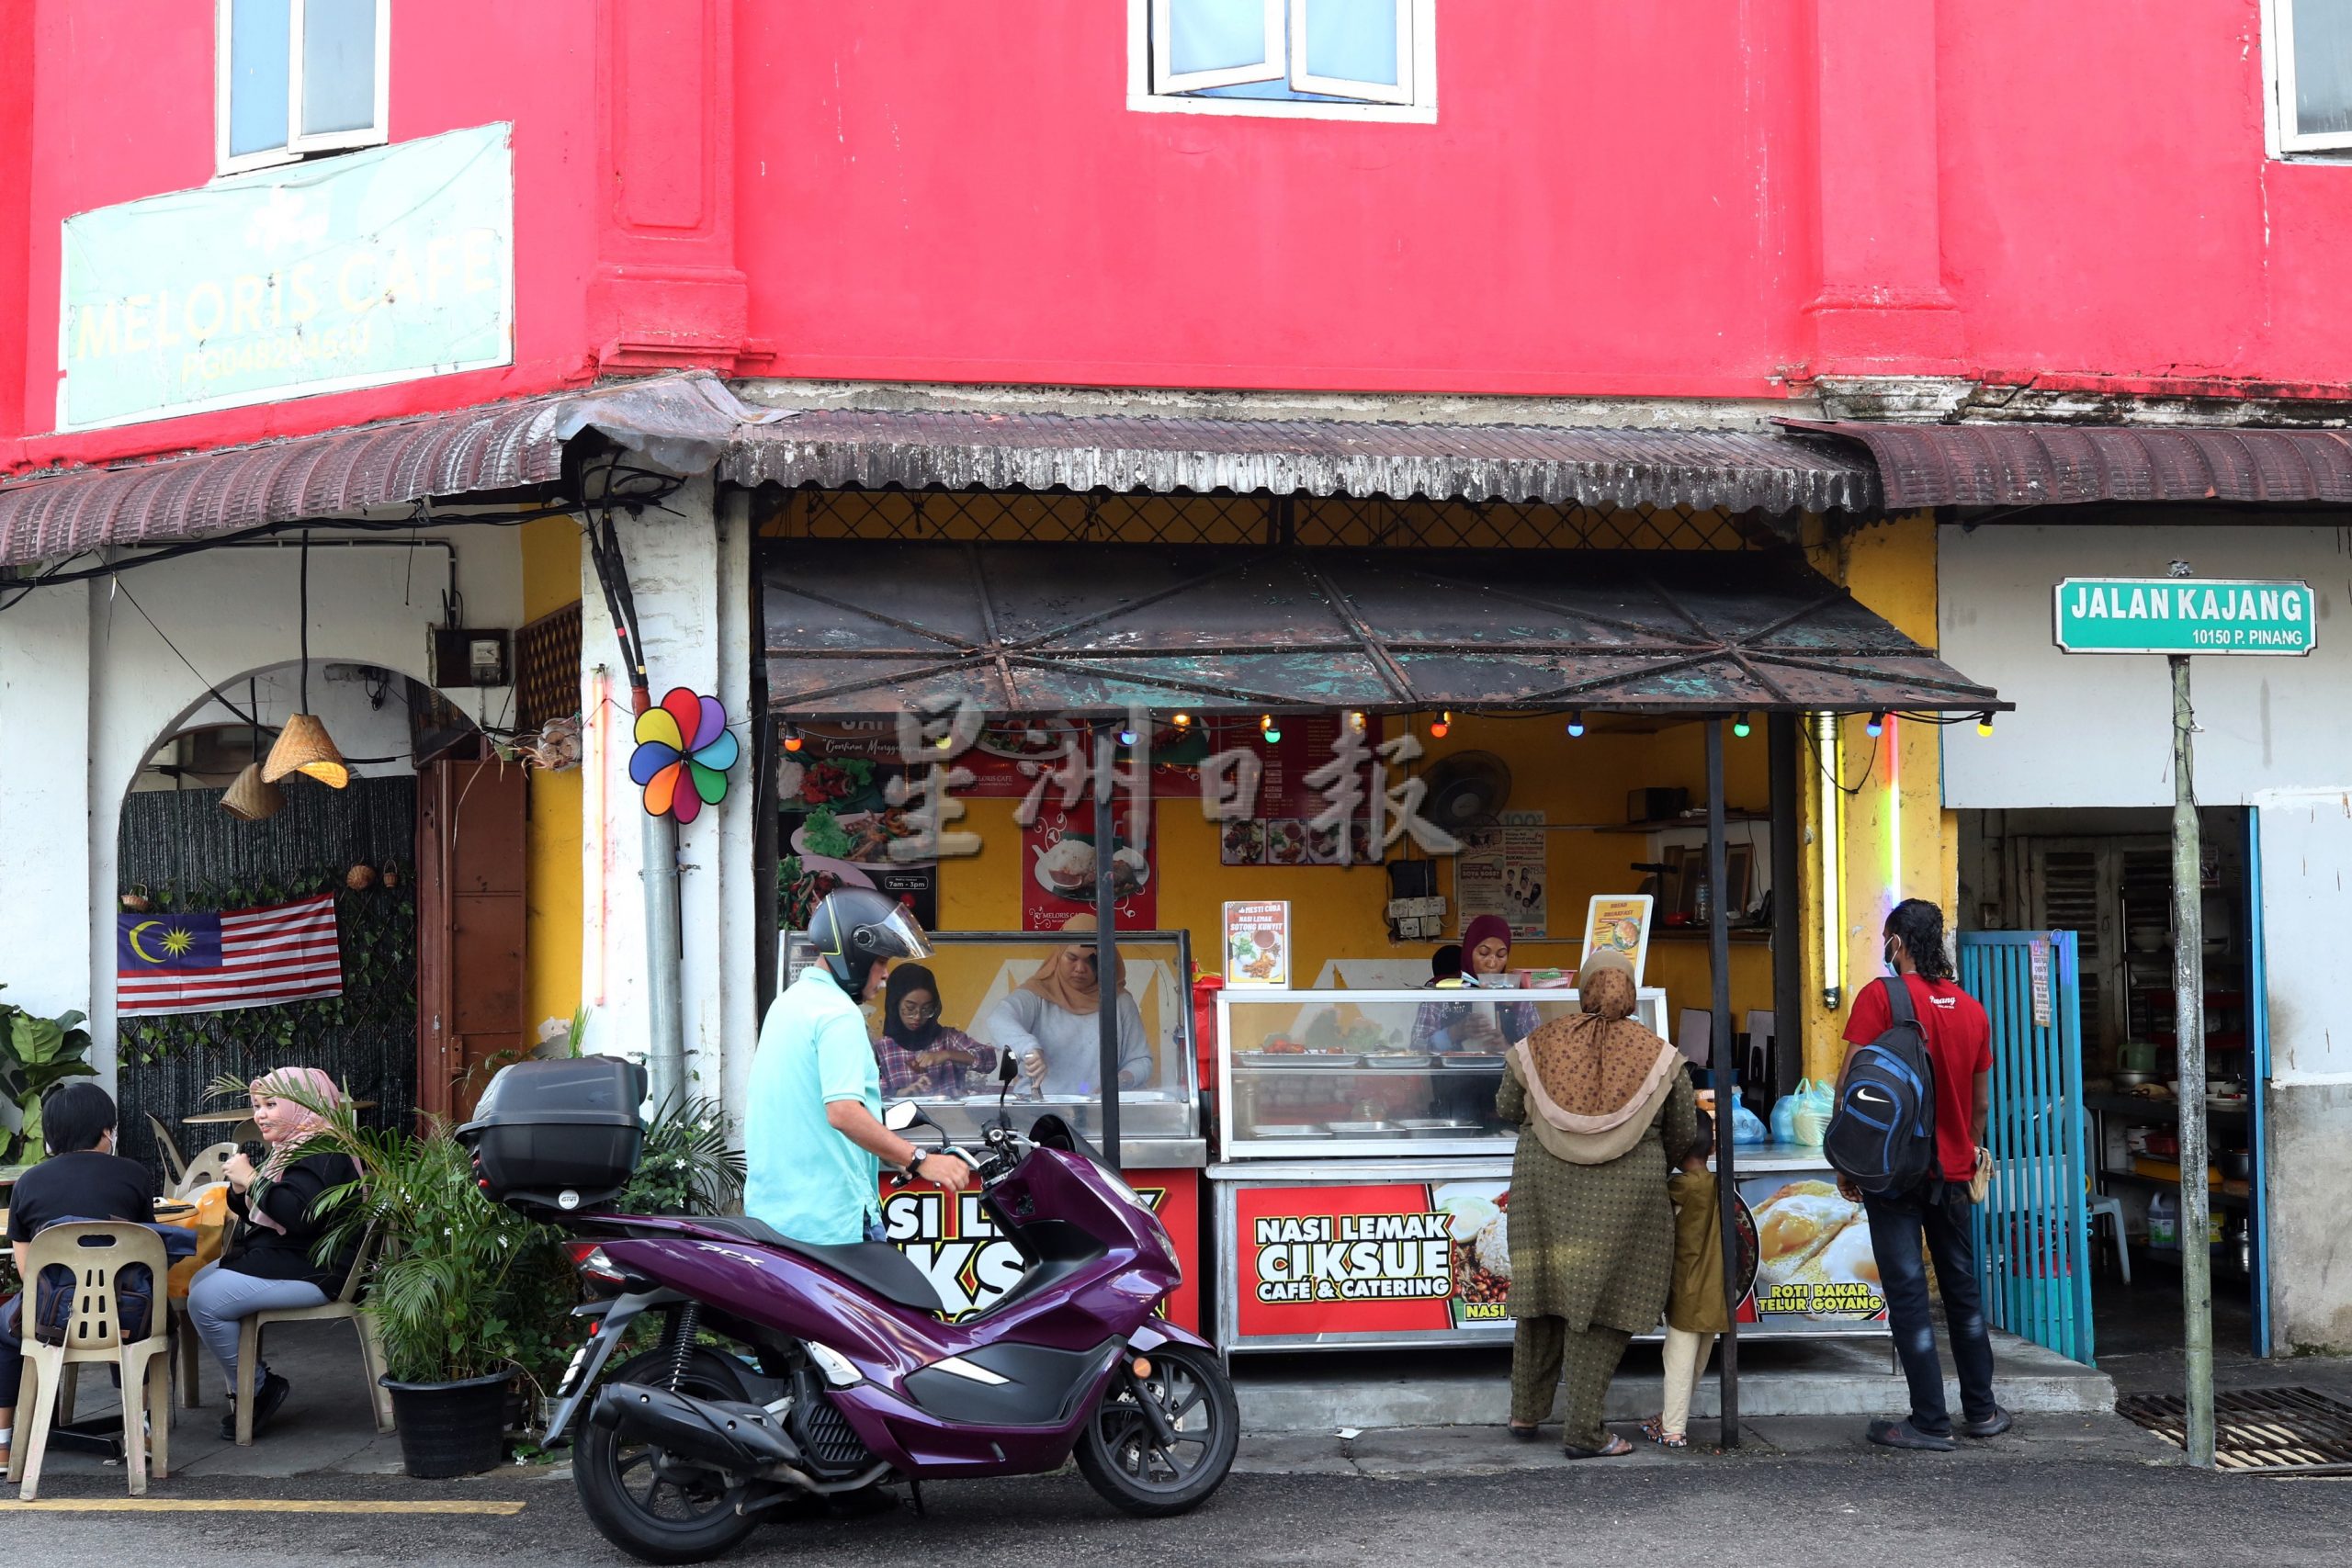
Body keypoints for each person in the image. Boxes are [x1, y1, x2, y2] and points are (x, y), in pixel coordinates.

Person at [1497, 948, 1692, 1458]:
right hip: (1627, 1196)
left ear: (1583, 990)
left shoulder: (1541, 1042)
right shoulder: (1660, 1055)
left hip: (1542, 1189)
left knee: (1542, 1298)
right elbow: (1683, 1132)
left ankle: (1525, 1412)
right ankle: (1584, 1432)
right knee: (1604, 1305)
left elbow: (1506, 1106)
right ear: (1630, 990)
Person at [1835, 897, 2006, 1450]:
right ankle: (1981, 1411)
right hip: (1952, 1173)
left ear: (1897, 943)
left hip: (1893, 1172)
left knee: (1909, 1295)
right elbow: (1981, 1105)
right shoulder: (1973, 1010)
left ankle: (1930, 1421)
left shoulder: (1881, 997)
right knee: (1962, 1291)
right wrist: (1966, 1149)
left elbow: (1851, 1085)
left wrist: (1849, 1161)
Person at [747, 889, 971, 1247]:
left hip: (776, 1217)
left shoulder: (788, 1004)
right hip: (832, 1219)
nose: (885, 976)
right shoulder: (839, 1014)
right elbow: (843, 1113)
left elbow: (808, 1114)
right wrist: (919, 1160)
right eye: (881, 962)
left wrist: (890, 1153)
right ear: (854, 956)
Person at [185, 1066, 361, 1440]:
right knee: (200, 1280)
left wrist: (253, 1180)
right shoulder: (291, 1148)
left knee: (205, 1300)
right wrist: (240, 1188)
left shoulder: (323, 1151)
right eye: (257, 1106)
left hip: (319, 1267)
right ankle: (253, 1380)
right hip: (292, 1255)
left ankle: (256, 1389)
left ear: (303, 1105)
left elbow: (299, 1216)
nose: (260, 1115)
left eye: (271, 1105)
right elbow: (263, 1211)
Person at [0, 1082, 159, 1470]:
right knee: (137, 1316)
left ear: (51, 1134)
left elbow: (27, 1270)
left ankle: (3, 1444)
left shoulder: (30, 1182)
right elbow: (147, 1252)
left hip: (48, 1321)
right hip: (125, 1317)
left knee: (2, 1331)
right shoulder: (134, 1175)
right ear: (106, 1130)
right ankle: (142, 1430)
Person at [984, 913, 1152, 1097]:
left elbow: (1141, 1060)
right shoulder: (1037, 995)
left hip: (1100, 1108)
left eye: (1091, 960)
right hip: (1041, 1106)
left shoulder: (1119, 1002)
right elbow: (998, 1018)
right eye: (1072, 958)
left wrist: (1120, 1081)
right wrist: (1029, 1048)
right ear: (1059, 955)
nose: (1080, 968)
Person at [1643, 1108, 1729, 1450]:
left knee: (1677, 1362)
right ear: (1712, 1148)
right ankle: (1670, 1418)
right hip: (1717, 1290)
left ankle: (1673, 1429)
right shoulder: (1719, 1185)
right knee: (1697, 1362)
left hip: (1688, 1290)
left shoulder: (1679, 1188)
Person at [1410, 916, 1541, 1053]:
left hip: (1505, 1068)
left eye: (1501, 955)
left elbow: (1538, 1053)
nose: (1492, 963)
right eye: (1483, 953)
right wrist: (1455, 1032)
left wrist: (1505, 1048)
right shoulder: (1442, 991)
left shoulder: (1517, 997)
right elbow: (1417, 1047)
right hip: (1451, 1067)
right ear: (1468, 951)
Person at [873, 963, 995, 1098]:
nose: (918, 1016)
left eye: (926, 1009)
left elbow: (989, 1060)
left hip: (951, 1112)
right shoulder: (882, 1049)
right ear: (894, 1005)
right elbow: (874, 1094)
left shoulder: (948, 1038)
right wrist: (902, 1093)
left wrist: (947, 1054)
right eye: (910, 1009)